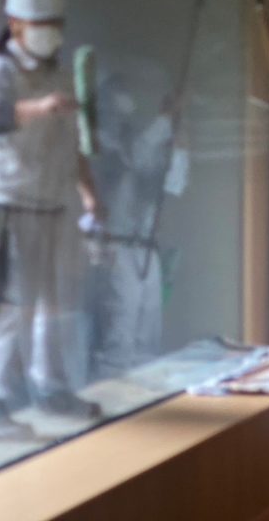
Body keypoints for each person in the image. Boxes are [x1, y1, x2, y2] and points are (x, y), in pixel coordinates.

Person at [0, 0, 103, 440]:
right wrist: (38, 108)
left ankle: (52, 387)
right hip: (6, 204)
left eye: (56, 24)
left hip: (53, 203)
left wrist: (90, 194)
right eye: (41, 24)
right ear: (16, 25)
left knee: (56, 304)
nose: (51, 33)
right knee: (7, 306)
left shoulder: (60, 75)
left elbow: (72, 143)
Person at [88, 78, 175, 378]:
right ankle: (111, 396)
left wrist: (178, 147)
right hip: (117, 245)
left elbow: (170, 183)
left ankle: (144, 394)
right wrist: (164, 121)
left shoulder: (140, 144)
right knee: (120, 327)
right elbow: (132, 159)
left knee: (148, 330)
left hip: (146, 246)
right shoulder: (99, 145)